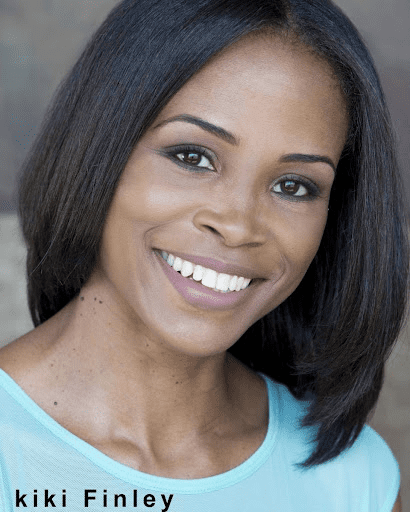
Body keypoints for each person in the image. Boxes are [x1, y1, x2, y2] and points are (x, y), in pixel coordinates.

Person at [0, 0, 407, 510]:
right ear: (97, 149)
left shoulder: (351, 479)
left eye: (293, 185)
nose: (237, 226)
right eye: (192, 157)